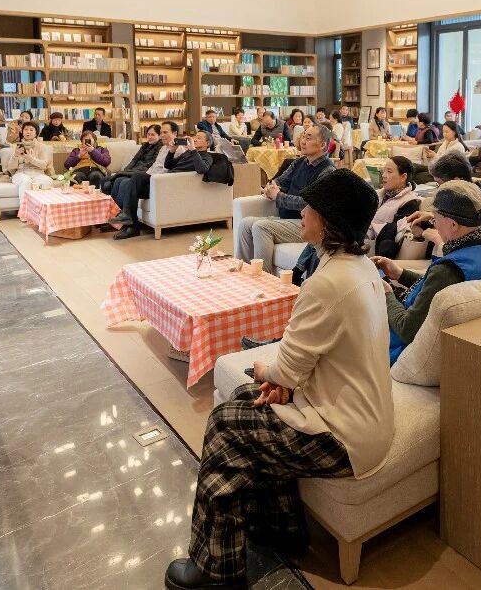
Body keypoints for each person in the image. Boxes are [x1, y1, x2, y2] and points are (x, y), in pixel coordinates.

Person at [165, 169, 391, 590]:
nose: (301, 212)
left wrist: (265, 371)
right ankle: (279, 527)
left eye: (310, 207)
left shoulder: (328, 283)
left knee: (226, 423)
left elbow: (284, 369)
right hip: (363, 417)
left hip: (344, 437)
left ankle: (215, 568)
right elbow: (309, 359)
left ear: (329, 221)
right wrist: (279, 380)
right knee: (248, 400)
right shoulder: (360, 268)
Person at [373, 181, 481, 363]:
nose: (434, 224)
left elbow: (407, 330)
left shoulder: (448, 270)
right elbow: (442, 288)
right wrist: (401, 274)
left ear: (453, 224)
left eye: (436, 219)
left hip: (399, 348)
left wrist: (387, 294)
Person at [236, 125, 335, 264]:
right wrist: (271, 187)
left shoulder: (328, 170)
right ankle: (243, 270)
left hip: (307, 224)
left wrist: (278, 196)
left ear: (322, 145)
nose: (303, 141)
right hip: (286, 218)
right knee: (245, 224)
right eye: (303, 136)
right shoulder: (299, 162)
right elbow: (280, 181)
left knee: (261, 227)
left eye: (308, 138)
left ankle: (262, 276)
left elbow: (309, 203)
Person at [108, 121, 179, 239]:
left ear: (175, 133)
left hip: (160, 183)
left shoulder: (178, 149)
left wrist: (145, 176)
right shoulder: (163, 148)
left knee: (135, 177)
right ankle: (126, 224)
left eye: (165, 132)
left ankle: (130, 224)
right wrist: (145, 176)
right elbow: (154, 167)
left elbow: (167, 169)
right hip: (150, 179)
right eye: (161, 132)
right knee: (124, 182)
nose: (162, 135)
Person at [365, 157, 419, 250]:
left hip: (377, 249)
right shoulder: (376, 194)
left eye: (389, 171)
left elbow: (395, 234)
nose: (383, 175)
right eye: (383, 171)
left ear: (403, 177)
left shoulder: (409, 202)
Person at [5, 122, 54, 193]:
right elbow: (10, 168)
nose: (28, 132)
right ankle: (25, 201)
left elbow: (44, 165)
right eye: (26, 129)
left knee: (47, 181)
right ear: (22, 132)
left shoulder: (42, 147)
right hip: (21, 173)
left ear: (36, 133)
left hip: (38, 173)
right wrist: (15, 155)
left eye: (31, 130)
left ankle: (40, 200)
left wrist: (31, 159)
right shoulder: (17, 147)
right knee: (26, 181)